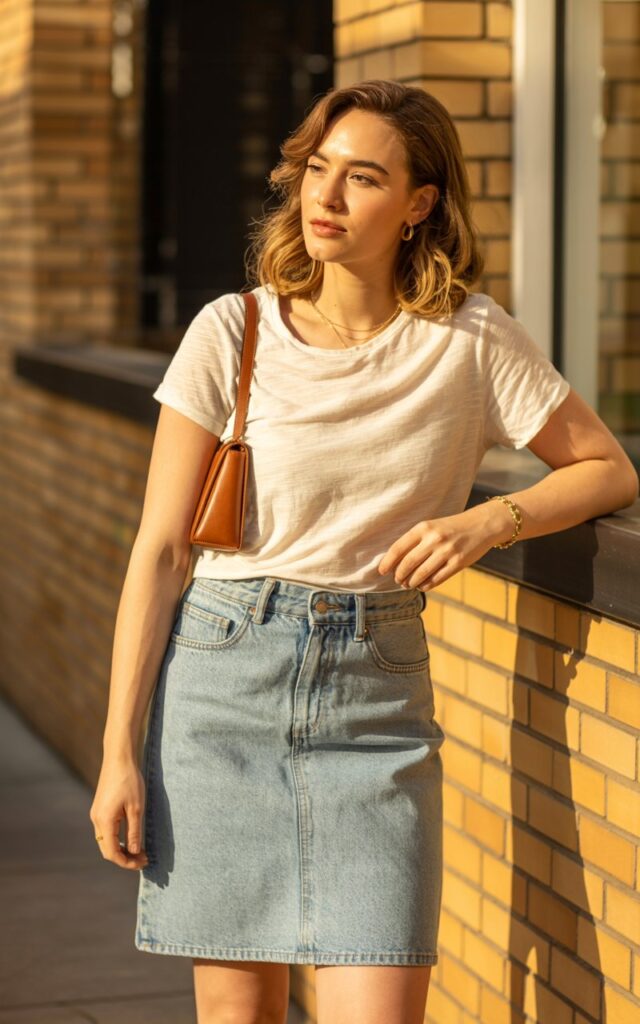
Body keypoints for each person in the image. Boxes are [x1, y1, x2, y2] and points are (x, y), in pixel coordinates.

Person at [89, 79, 638, 1024]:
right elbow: (163, 552)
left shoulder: (471, 341)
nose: (327, 197)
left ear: (420, 204)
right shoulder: (233, 330)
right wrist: (119, 753)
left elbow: (604, 468)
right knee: (238, 1017)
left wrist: (486, 521)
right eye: (318, 169)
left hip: (375, 700)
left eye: (364, 177)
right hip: (222, 686)